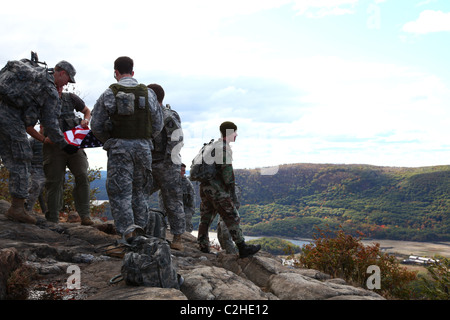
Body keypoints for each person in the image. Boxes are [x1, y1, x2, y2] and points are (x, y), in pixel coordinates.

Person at [91, 56, 163, 240]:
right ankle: (142, 235)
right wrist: (144, 140)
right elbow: (158, 124)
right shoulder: (149, 94)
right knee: (140, 192)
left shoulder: (109, 93)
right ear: (133, 72)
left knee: (120, 193)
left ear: (116, 72)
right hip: (143, 149)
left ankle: (128, 236)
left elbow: (96, 125)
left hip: (119, 150)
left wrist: (111, 141)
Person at [0, 57, 79, 224]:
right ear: (62, 73)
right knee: (22, 157)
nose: (66, 84)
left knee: (11, 157)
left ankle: (18, 207)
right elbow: (50, 122)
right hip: (10, 118)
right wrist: (64, 144)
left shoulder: (34, 74)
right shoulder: (48, 88)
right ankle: (17, 208)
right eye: (68, 80)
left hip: (3, 109)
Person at [197, 121, 261, 258]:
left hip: (205, 187)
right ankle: (242, 247)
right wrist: (231, 189)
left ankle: (203, 246)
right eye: (235, 132)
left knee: (206, 217)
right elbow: (227, 172)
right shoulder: (224, 148)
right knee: (232, 216)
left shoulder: (212, 145)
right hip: (217, 189)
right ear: (230, 133)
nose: (236, 135)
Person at [29, 91, 93, 225]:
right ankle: (53, 218)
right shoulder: (41, 99)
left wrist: (86, 120)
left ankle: (85, 216)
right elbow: (28, 125)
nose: (64, 84)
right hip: (53, 148)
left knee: (82, 176)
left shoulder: (71, 98)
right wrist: (44, 139)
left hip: (75, 146)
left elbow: (87, 111)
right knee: (54, 182)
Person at [147, 83, 186, 250]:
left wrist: (168, 162)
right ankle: (140, 229)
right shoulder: (148, 116)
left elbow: (177, 140)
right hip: (150, 164)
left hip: (167, 165)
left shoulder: (167, 116)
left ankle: (177, 238)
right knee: (139, 194)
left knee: (172, 201)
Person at [24, 126, 46, 213]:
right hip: (34, 168)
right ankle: (26, 209)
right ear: (41, 127)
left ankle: (48, 212)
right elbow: (25, 156)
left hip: (48, 169)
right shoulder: (33, 140)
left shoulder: (53, 140)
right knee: (35, 185)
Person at [180, 163, 195, 233]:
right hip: (171, 207)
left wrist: (191, 210)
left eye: (184, 170)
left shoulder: (187, 183)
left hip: (185, 208)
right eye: (182, 170)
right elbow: (162, 197)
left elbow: (192, 197)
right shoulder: (170, 181)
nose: (184, 172)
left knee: (187, 221)